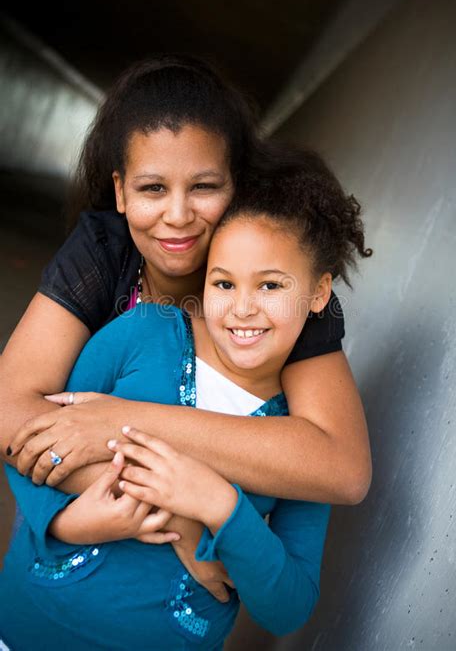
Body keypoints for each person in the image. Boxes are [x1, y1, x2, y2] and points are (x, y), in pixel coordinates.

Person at [0, 57, 372, 591]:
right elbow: (10, 410)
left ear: (237, 185)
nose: (178, 215)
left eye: (204, 186)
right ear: (122, 191)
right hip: (64, 578)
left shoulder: (274, 286)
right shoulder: (104, 250)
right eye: (153, 188)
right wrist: (180, 520)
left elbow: (342, 466)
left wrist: (124, 422)